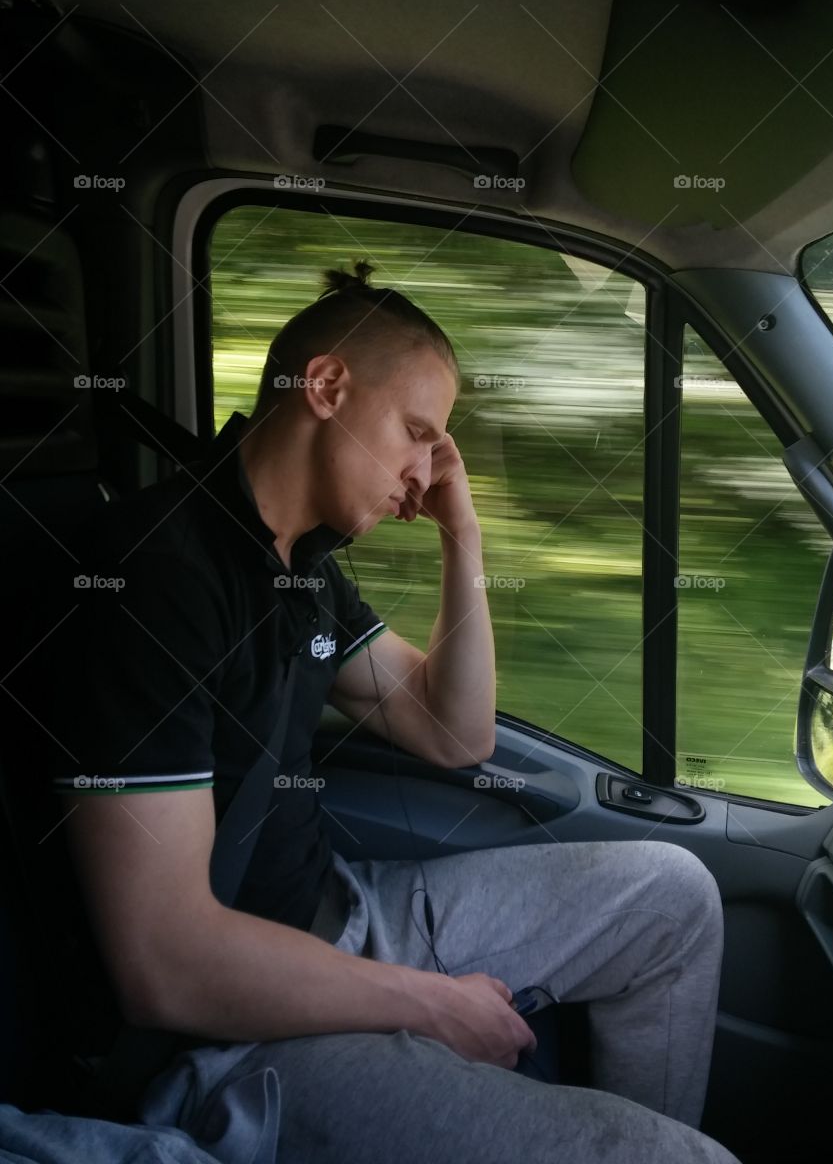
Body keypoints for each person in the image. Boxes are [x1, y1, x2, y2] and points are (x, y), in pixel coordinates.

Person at [34, 259, 740, 1163]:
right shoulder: (153, 577)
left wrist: (464, 533)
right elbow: (165, 961)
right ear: (325, 386)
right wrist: (432, 1006)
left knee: (673, 895)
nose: (424, 472)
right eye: (417, 433)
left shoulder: (303, 573)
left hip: (345, 916)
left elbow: (455, 733)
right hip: (233, 1036)